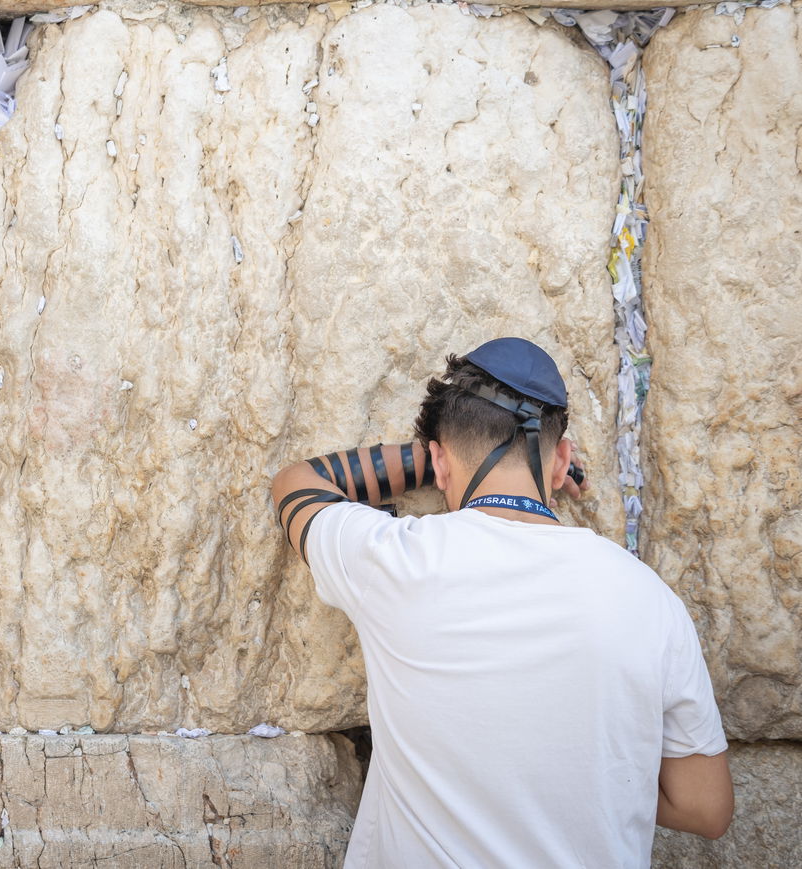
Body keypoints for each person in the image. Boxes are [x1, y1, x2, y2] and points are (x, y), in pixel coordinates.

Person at [270, 337, 732, 868]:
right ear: (562, 462)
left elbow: (296, 484)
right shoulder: (651, 600)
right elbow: (705, 808)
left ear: (440, 461)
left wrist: (431, 457)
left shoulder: (395, 561)